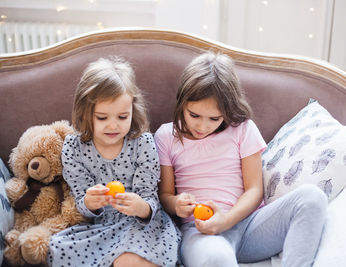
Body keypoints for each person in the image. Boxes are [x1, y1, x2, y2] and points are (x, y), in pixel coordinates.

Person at [154, 52, 328, 267]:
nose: (202, 126)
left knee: (311, 197)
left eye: (214, 119)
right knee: (217, 259)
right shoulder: (166, 136)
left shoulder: (243, 129)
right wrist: (176, 205)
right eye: (194, 115)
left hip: (249, 225)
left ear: (227, 112)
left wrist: (226, 221)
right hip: (201, 231)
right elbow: (165, 195)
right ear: (182, 104)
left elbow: (254, 190)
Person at [48, 57, 181, 267]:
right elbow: (81, 200)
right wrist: (90, 204)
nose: (113, 126)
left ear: (132, 111)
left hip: (141, 225)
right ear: (86, 113)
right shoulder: (73, 147)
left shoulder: (142, 142)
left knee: (128, 260)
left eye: (122, 117)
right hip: (102, 227)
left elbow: (150, 198)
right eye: (102, 118)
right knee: (57, 247)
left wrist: (141, 207)